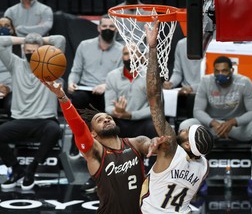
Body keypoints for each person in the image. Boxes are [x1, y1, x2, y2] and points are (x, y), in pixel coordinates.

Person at [41, 80, 167, 214]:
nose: (106, 119)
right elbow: (78, 127)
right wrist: (62, 97)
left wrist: (155, 142)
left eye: (109, 118)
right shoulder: (95, 152)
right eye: (99, 120)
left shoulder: (136, 142)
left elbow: (150, 145)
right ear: (93, 133)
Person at [140, 20, 214, 213]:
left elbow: (154, 97)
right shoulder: (204, 167)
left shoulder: (172, 149)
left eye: (186, 131)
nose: (182, 129)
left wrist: (152, 47)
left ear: (188, 145)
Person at [179, 55, 252, 197]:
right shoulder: (206, 82)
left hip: (236, 127)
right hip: (211, 127)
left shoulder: (244, 82)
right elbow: (197, 111)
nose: (220, 74)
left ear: (231, 70)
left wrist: (233, 122)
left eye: (224, 71)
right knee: (186, 125)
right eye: (217, 71)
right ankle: (196, 178)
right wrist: (213, 122)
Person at [0, 32, 65, 190]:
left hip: (45, 120)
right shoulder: (15, 64)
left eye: (34, 51)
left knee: (55, 130)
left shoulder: (51, 64)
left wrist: (37, 39)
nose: (30, 54)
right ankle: (17, 170)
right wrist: (26, 39)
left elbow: (60, 40)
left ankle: (31, 170)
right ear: (22, 50)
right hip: (19, 120)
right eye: (27, 51)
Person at [67, 14, 123, 162]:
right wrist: (71, 82)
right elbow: (76, 71)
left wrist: (106, 85)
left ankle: (106, 145)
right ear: (98, 28)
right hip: (85, 89)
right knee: (78, 99)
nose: (108, 29)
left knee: (112, 105)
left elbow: (121, 75)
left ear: (116, 29)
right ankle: (77, 139)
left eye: (111, 26)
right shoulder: (84, 45)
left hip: (108, 91)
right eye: (104, 26)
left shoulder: (122, 49)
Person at [0, 16, 20, 117]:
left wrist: (8, 88)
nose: (3, 28)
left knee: (13, 105)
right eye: (0, 26)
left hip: (13, 88)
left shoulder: (20, 49)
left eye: (7, 26)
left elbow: (22, 74)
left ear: (13, 29)